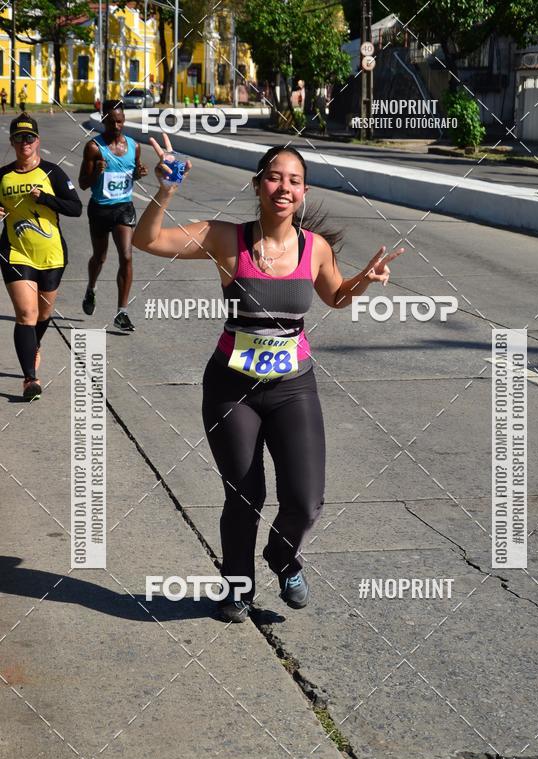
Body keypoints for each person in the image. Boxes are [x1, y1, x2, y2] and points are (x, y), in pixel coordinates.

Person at [133, 136, 402, 622]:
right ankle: (237, 588)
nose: (285, 187)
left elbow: (336, 297)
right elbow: (147, 240)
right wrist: (166, 190)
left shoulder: (314, 247)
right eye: (275, 177)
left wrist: (363, 278)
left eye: (295, 181)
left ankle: (282, 556)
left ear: (303, 193)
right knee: (245, 494)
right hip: (232, 388)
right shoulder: (224, 238)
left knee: (305, 497)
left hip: (293, 386)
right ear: (258, 185)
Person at [0, 114, 82, 399]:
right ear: (11, 142)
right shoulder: (2, 176)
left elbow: (75, 208)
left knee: (43, 314)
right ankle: (29, 380)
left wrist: (45, 198)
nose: (25, 143)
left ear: (38, 141)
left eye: (30, 137)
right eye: (19, 138)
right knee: (26, 314)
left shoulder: (52, 173)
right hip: (15, 252)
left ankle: (34, 345)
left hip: (52, 255)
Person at [77, 99, 148, 331]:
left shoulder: (134, 146)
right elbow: (83, 184)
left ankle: (122, 312)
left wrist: (139, 173)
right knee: (100, 257)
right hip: (99, 209)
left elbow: (133, 173)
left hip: (123, 208)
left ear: (124, 120)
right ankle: (91, 288)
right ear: (103, 120)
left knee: (126, 256)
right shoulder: (94, 148)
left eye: (120, 121)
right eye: (111, 121)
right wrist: (96, 172)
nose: (116, 126)